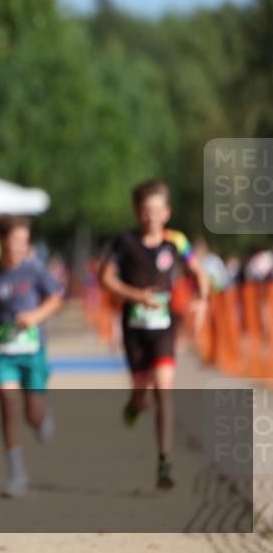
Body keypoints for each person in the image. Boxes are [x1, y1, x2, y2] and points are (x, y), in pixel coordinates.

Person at [99, 179, 209, 490]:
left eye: (157, 211)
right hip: (134, 329)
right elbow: (105, 278)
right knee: (143, 396)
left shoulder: (177, 241)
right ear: (137, 213)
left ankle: (164, 460)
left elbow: (197, 271)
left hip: (163, 327)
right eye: (146, 211)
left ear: (167, 213)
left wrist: (201, 299)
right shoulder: (124, 242)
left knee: (164, 388)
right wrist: (136, 295)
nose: (151, 217)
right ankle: (134, 405)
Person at [0, 215, 64, 497]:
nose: (18, 247)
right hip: (3, 354)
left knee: (33, 413)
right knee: (8, 403)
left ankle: (42, 418)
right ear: (0, 242)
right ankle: (17, 474)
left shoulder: (34, 270)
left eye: (23, 241)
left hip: (33, 352)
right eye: (13, 241)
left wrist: (35, 317)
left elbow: (56, 298)